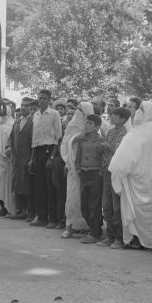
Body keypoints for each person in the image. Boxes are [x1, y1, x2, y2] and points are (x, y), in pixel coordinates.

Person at [108, 100, 152, 251]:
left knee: (142, 209)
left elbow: (127, 155)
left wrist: (119, 168)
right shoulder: (149, 129)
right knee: (140, 209)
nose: (139, 112)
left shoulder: (144, 131)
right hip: (142, 177)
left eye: (142, 109)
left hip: (141, 177)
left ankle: (146, 241)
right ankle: (140, 240)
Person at [97, 107, 131, 249]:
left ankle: (118, 237)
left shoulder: (126, 134)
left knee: (117, 206)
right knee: (106, 205)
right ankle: (110, 236)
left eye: (115, 116)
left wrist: (108, 147)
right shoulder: (110, 131)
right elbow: (101, 148)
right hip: (106, 170)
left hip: (116, 172)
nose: (112, 117)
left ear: (123, 119)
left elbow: (120, 153)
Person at [28, 89, 62, 228]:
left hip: (50, 151)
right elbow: (34, 139)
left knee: (50, 187)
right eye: (39, 98)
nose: (41, 100)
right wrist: (32, 158)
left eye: (44, 98)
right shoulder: (35, 115)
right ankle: (41, 217)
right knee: (38, 187)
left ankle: (52, 218)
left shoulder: (54, 114)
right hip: (37, 151)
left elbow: (58, 137)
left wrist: (52, 157)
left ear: (49, 100)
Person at [60, 102, 94, 239]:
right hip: (74, 169)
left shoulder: (93, 125)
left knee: (88, 198)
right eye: (79, 110)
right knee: (72, 197)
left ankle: (87, 227)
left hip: (88, 168)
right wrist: (75, 138)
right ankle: (69, 227)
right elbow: (65, 141)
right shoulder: (72, 125)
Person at [74, 114, 109, 243]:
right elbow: (78, 157)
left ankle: (95, 233)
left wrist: (100, 172)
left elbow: (103, 158)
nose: (86, 125)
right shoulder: (81, 140)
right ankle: (93, 229)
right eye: (86, 123)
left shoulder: (101, 141)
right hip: (84, 173)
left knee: (94, 205)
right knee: (84, 206)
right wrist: (78, 169)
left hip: (95, 175)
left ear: (97, 127)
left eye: (90, 123)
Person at [5, 97, 34, 219]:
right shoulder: (17, 122)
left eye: (26, 105)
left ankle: (30, 211)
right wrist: (8, 147)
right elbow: (11, 139)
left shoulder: (33, 122)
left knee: (27, 186)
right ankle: (21, 210)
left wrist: (32, 158)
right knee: (16, 185)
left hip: (27, 158)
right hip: (16, 159)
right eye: (22, 105)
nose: (23, 108)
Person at [52, 99, 69, 230]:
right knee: (59, 192)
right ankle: (59, 219)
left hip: (67, 163)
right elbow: (57, 143)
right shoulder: (59, 126)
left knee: (66, 193)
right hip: (58, 161)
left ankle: (65, 219)